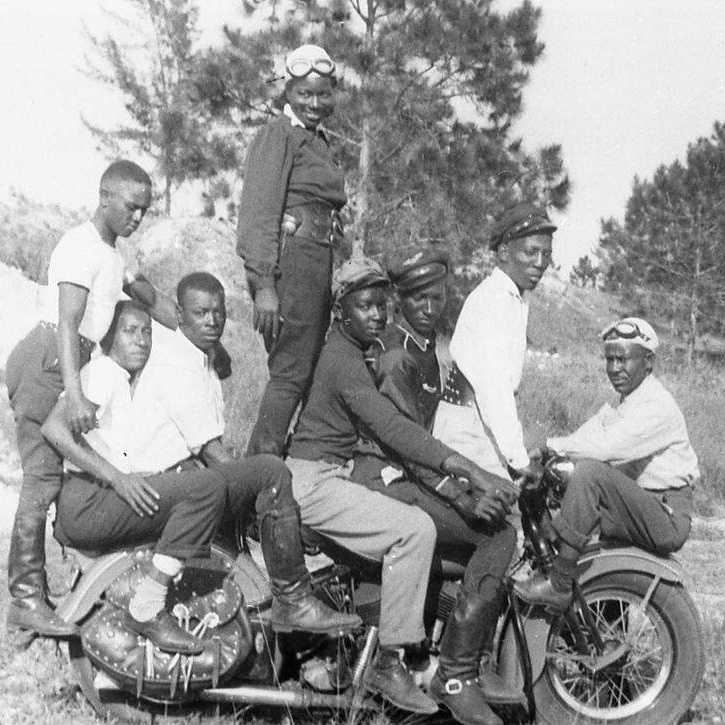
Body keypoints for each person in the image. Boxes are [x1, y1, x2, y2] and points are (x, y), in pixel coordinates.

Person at [285, 257, 516, 715]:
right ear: (341, 312)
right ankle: (405, 665)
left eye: (380, 305)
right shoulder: (355, 359)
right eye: (365, 306)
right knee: (419, 530)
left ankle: (431, 656)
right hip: (327, 478)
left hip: (335, 473)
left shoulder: (365, 351)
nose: (377, 315)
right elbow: (395, 430)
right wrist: (470, 477)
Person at [350, 250, 520, 725]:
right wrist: (460, 493)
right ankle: (458, 675)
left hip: (407, 474)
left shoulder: (427, 349)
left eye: (438, 297)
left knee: (482, 526)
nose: (429, 307)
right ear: (399, 301)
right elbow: (405, 443)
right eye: (417, 298)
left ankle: (440, 652)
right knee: (497, 534)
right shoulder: (397, 356)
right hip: (384, 478)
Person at [140, 271, 360, 635]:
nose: (212, 321)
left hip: (184, 474)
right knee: (271, 473)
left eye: (219, 312)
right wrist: (261, 488)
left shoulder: (198, 356)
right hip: (170, 479)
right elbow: (212, 452)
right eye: (200, 313)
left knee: (266, 484)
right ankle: (295, 600)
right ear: (179, 315)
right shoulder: (179, 366)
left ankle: (267, 594)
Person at [3, 160, 154, 637]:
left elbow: (139, 294)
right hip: (50, 359)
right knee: (42, 478)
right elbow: (68, 323)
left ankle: (60, 585)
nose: (137, 217)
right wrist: (75, 392)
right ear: (104, 197)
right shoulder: (79, 246)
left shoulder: (111, 253)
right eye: (131, 206)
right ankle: (26, 600)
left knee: (67, 473)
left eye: (145, 210)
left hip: (70, 359)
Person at [41, 300, 226, 653]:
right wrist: (118, 479)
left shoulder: (120, 379)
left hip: (90, 498)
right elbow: (54, 428)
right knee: (206, 488)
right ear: (110, 337)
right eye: (130, 331)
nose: (141, 340)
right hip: (88, 501)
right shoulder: (105, 373)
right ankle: (149, 606)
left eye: (147, 332)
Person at [514, 317, 699, 611]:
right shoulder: (623, 401)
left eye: (622, 359)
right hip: (639, 505)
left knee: (590, 473)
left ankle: (559, 583)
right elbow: (587, 435)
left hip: (665, 515)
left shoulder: (657, 405)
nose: (614, 368)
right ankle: (551, 555)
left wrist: (553, 447)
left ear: (648, 362)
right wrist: (542, 453)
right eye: (609, 359)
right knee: (561, 482)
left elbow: (607, 448)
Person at [237, 43, 347, 456]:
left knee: (312, 370)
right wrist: (264, 285)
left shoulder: (317, 142)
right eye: (305, 94)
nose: (314, 103)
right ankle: (257, 473)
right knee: (290, 372)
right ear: (288, 91)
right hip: (293, 264)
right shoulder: (277, 135)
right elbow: (258, 214)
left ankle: (298, 465)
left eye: (323, 94)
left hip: (319, 263)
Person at [432, 203, 556, 485]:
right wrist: (518, 458)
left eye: (546, 254)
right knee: (504, 501)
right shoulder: (493, 300)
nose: (540, 262)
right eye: (531, 252)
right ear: (504, 252)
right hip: (464, 426)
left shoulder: (515, 298)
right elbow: (494, 387)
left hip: (481, 423)